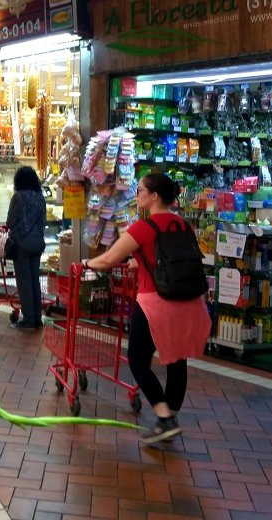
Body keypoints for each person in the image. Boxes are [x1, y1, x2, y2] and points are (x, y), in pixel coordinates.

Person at [86, 172, 211, 445]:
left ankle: (164, 417)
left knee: (139, 360)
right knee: (178, 361)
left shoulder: (143, 227)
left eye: (141, 189)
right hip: (189, 302)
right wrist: (139, 262)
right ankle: (171, 417)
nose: (137, 193)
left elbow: (108, 259)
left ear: (154, 196)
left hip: (156, 303)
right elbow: (167, 258)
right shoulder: (182, 224)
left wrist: (86, 264)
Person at [5, 166, 47, 330]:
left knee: (24, 281)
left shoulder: (18, 197)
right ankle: (37, 317)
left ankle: (28, 319)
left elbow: (10, 221)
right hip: (38, 242)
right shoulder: (40, 197)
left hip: (22, 243)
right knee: (34, 280)